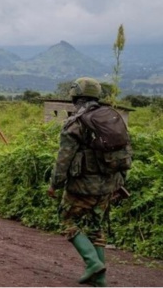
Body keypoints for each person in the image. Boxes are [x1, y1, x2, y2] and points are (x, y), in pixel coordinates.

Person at [47, 77, 127, 287]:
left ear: (75, 96)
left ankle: (92, 262)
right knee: (95, 225)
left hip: (82, 186)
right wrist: (120, 183)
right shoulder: (111, 118)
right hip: (110, 184)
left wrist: (54, 184)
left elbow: (63, 160)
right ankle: (99, 278)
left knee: (66, 219)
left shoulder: (75, 124)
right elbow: (124, 154)